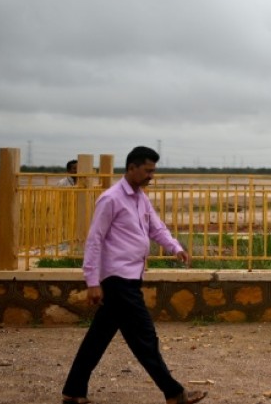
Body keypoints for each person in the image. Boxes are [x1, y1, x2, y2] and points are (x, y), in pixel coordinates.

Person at [62, 146, 207, 404]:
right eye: (148, 170)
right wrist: (92, 281)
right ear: (132, 168)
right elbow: (95, 240)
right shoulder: (111, 199)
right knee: (144, 337)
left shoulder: (140, 197)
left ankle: (74, 391)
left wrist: (175, 247)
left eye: (153, 171)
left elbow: (155, 226)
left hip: (130, 276)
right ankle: (174, 393)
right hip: (118, 279)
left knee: (99, 336)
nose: (152, 176)